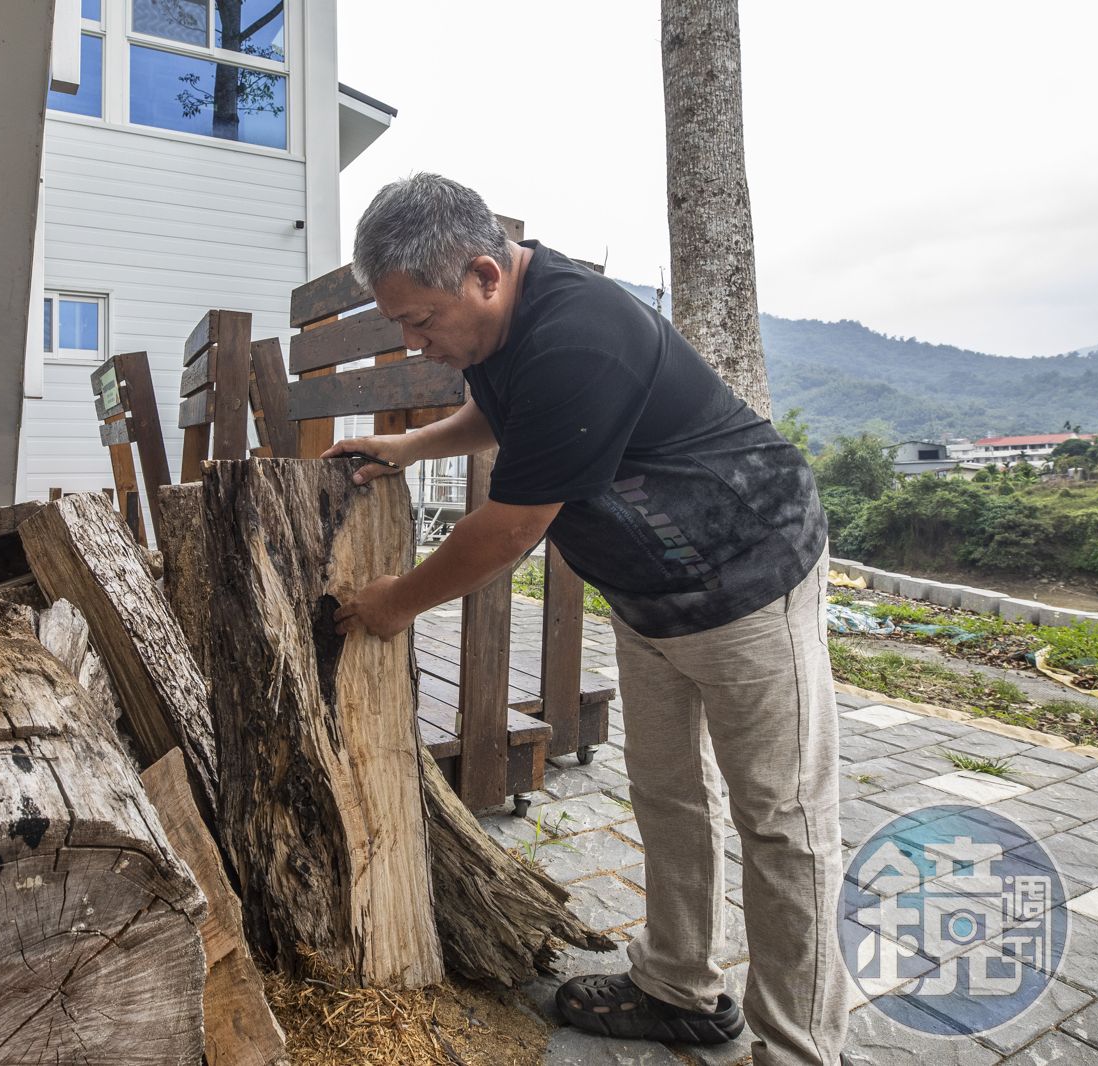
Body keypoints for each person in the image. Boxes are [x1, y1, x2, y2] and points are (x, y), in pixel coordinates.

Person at [326, 173, 848, 1065]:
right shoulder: (500, 326)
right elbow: (504, 409)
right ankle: (678, 987)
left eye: (420, 320)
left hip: (751, 576)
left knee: (782, 821)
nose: (414, 342)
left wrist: (393, 602)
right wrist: (412, 444)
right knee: (667, 791)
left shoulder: (580, 335)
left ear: (485, 275)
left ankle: (799, 1051)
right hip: (652, 593)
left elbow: (507, 531)